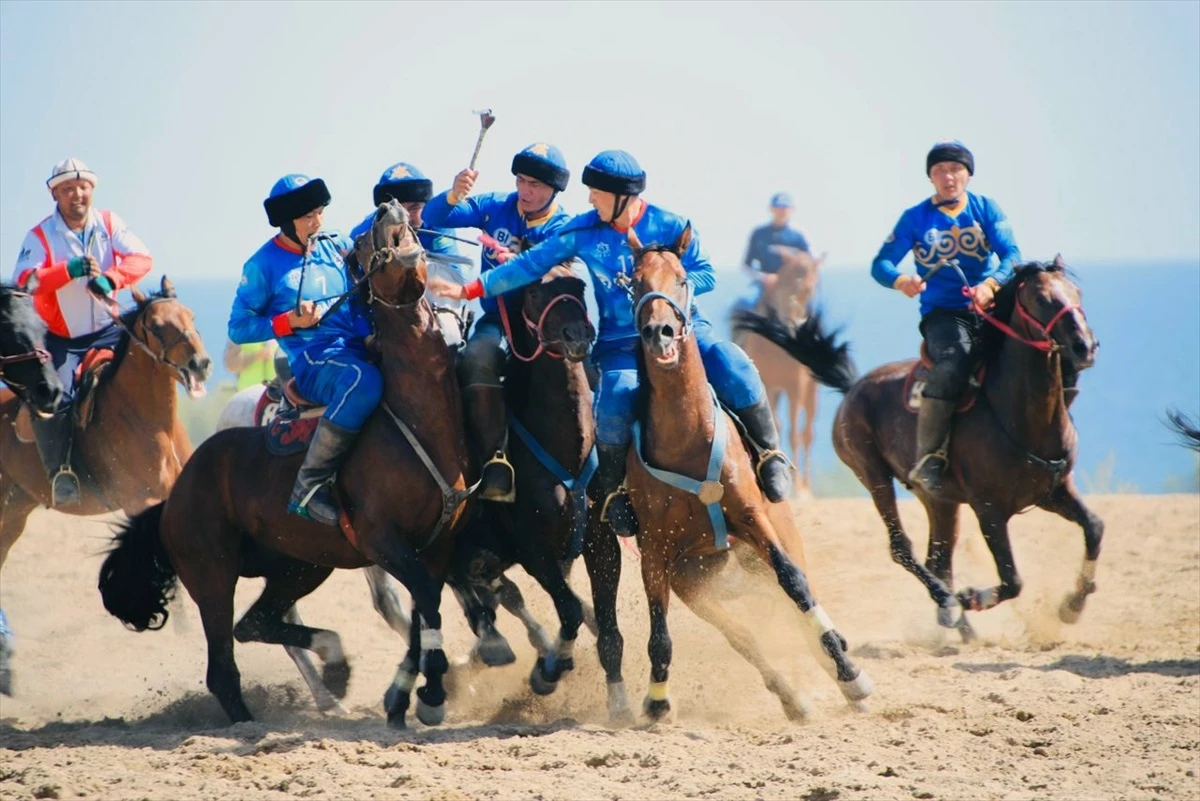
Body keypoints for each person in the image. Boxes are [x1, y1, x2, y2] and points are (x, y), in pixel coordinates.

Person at [429, 150, 793, 536]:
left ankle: (771, 455)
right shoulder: (583, 230)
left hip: (682, 330)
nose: (588, 200)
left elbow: (705, 274)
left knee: (731, 362)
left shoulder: (671, 225)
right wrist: (470, 289)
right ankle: (615, 491)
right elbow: (528, 266)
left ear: (623, 196)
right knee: (615, 400)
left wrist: (665, 293)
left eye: (596, 193)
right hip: (621, 342)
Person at [421, 143, 573, 502]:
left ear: (554, 188)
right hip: (498, 321)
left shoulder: (564, 227)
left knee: (593, 378)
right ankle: (495, 459)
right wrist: (453, 195)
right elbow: (434, 217)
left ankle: (606, 478)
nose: (525, 191)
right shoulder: (495, 206)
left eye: (534, 184)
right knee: (475, 359)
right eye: (520, 181)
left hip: (548, 329)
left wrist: (523, 262)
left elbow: (563, 272)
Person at [870, 140, 1022, 495]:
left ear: (968, 174)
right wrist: (901, 280)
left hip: (991, 305)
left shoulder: (986, 208)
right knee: (954, 362)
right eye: (939, 171)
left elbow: (1012, 254)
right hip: (943, 315)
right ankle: (929, 458)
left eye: (955, 169)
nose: (948, 176)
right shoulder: (915, 218)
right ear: (931, 178)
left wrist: (991, 284)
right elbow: (881, 264)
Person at [228, 174, 379, 525]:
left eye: (320, 212)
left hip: (357, 346)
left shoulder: (336, 243)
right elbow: (237, 327)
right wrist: (289, 322)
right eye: (308, 217)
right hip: (313, 362)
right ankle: (309, 486)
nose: (318, 222)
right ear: (286, 221)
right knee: (364, 382)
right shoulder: (262, 265)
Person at [11, 158, 153, 506]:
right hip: (62, 338)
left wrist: (113, 278)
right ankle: (61, 472)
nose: (78, 194)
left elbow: (141, 257)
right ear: (55, 194)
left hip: (111, 329)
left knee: (156, 367)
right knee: (53, 396)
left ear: (92, 190)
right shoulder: (40, 235)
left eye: (83, 187)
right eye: (68, 189)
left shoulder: (109, 222)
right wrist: (68, 270)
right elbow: (24, 281)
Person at [733, 191, 811, 315]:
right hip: (764, 285)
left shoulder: (797, 237)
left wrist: (792, 259)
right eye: (778, 208)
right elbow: (746, 265)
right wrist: (763, 277)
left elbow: (809, 264)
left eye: (785, 208)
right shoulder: (759, 234)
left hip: (792, 287)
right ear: (771, 209)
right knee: (743, 303)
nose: (781, 212)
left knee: (813, 310)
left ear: (792, 210)